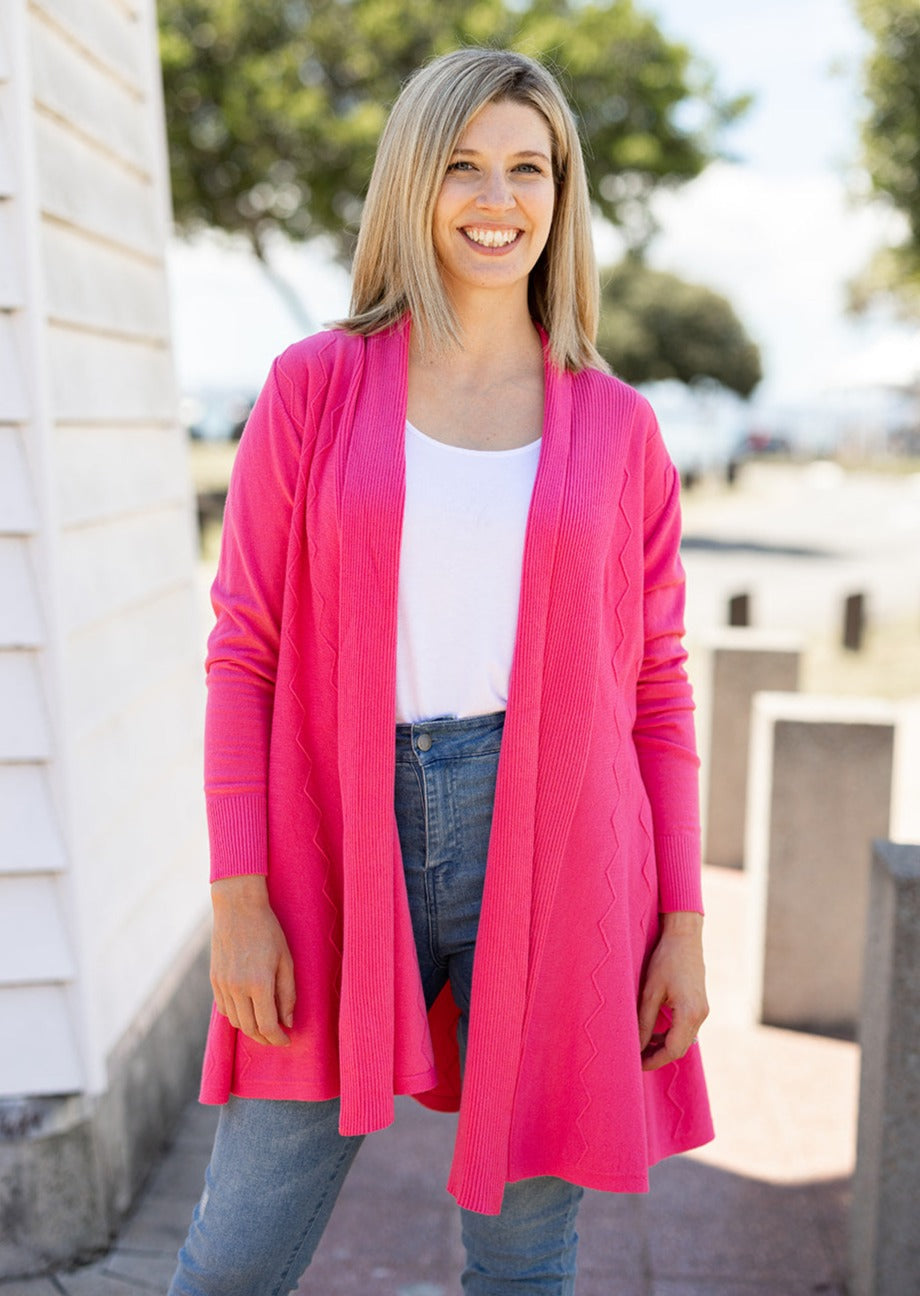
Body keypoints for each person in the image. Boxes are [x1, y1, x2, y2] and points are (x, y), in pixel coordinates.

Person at [168, 46, 713, 1296]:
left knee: (525, 1257)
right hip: (334, 829)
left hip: (563, 837)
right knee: (235, 1250)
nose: (495, 197)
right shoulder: (315, 387)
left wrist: (681, 921)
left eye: (528, 168)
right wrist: (237, 894)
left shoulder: (618, 426)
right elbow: (241, 649)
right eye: (463, 164)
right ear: (414, 182)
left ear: (561, 196)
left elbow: (657, 693)